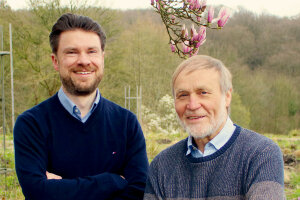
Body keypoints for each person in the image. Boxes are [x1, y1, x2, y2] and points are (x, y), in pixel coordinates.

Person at [14, 13, 149, 200]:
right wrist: (111, 181)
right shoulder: (31, 125)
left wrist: (59, 189)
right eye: (72, 52)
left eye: (91, 51)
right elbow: (37, 193)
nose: (84, 60)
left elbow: (138, 192)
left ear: (103, 58)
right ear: (55, 61)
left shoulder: (126, 124)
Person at [143, 55, 285, 199]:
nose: (192, 105)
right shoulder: (161, 166)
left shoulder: (260, 154)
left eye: (203, 93)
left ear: (227, 96)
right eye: (183, 95)